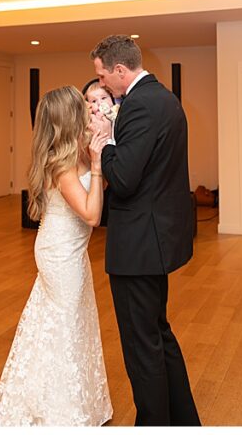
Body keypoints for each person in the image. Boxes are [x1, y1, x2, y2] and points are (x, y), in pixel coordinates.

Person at [0, 86, 113, 426]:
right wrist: (99, 166)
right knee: (65, 323)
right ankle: (59, 411)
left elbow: (98, 192)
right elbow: (91, 215)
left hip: (73, 250)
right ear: (69, 116)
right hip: (59, 252)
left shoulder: (80, 150)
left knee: (71, 321)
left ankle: (77, 400)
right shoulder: (61, 163)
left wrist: (103, 149)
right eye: (82, 104)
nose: (89, 106)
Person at [89, 34, 200, 426]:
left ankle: (152, 424)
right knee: (158, 333)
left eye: (102, 76)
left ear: (120, 70)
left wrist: (101, 146)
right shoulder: (164, 99)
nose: (101, 84)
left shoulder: (138, 105)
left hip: (139, 243)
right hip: (156, 237)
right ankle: (184, 420)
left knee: (142, 344)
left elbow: (123, 178)